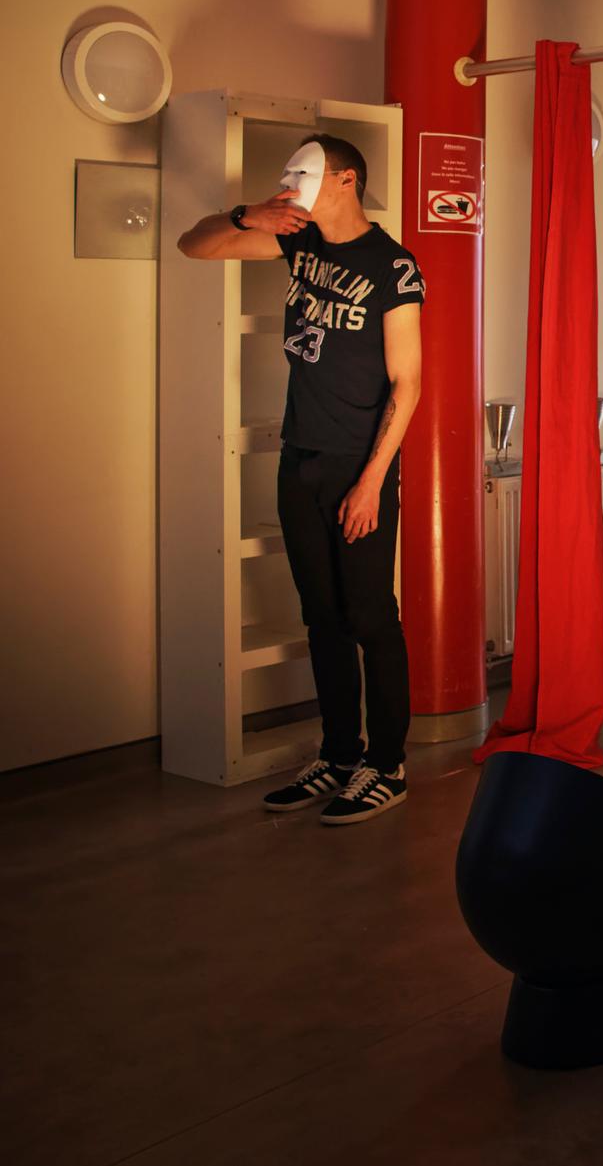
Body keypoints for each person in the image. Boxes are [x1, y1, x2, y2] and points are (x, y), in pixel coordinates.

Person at [176, 134, 424, 825]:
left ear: (345, 180)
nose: (289, 185)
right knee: (322, 618)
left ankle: (387, 765)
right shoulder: (299, 241)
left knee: (370, 616)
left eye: (303, 174)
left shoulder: (393, 265)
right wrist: (245, 215)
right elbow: (194, 246)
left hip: (358, 464)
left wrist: (372, 481)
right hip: (300, 458)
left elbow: (408, 381)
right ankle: (340, 755)